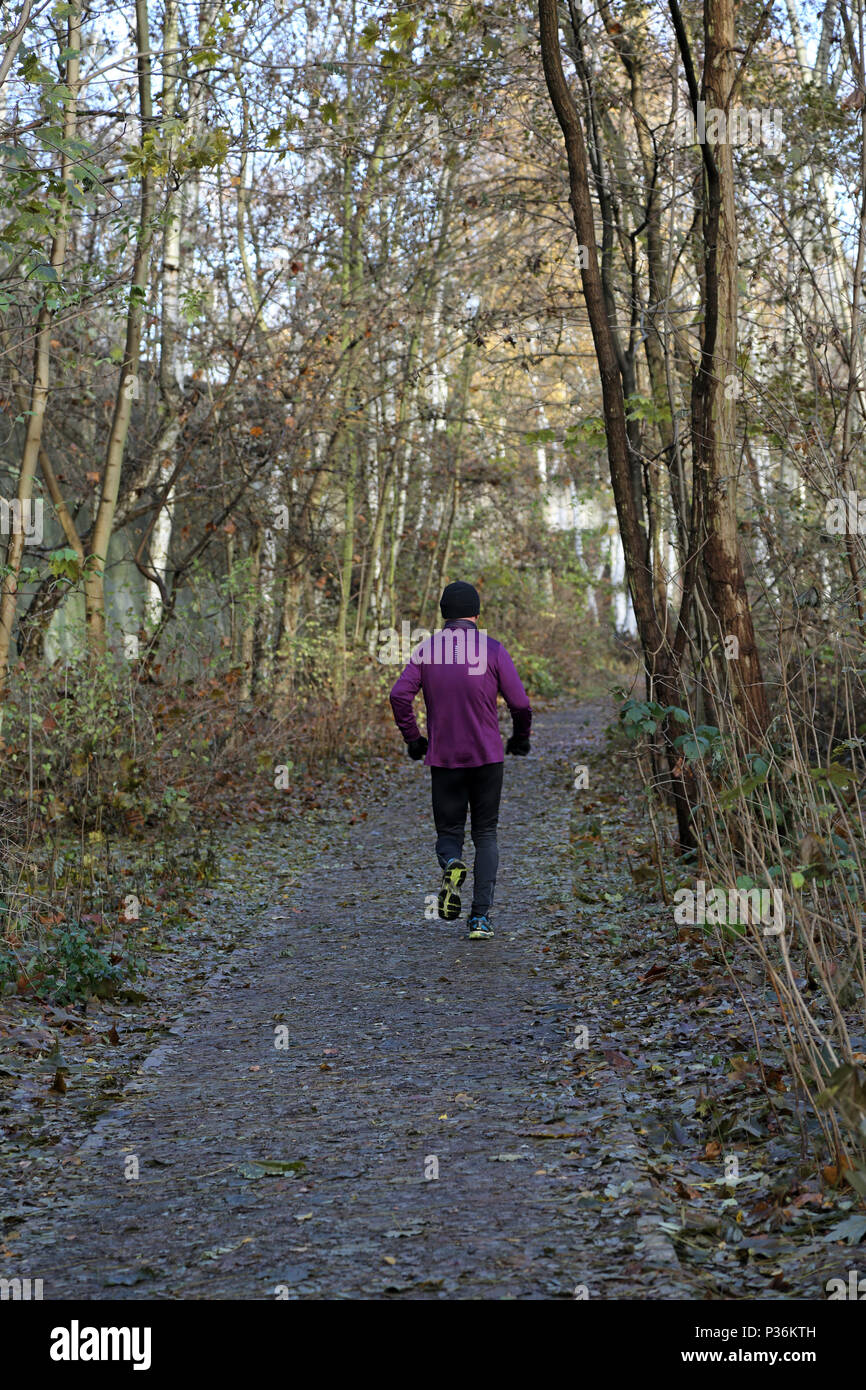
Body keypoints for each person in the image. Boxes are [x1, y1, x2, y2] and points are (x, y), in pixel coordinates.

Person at [389, 580, 532, 939]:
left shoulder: (428, 651)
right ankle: (480, 919)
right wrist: (520, 739)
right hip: (487, 757)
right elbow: (521, 704)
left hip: (445, 758)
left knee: (449, 832)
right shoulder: (493, 650)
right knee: (485, 834)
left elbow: (399, 696)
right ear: (476, 614)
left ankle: (452, 863)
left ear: (443, 615)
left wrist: (414, 739)